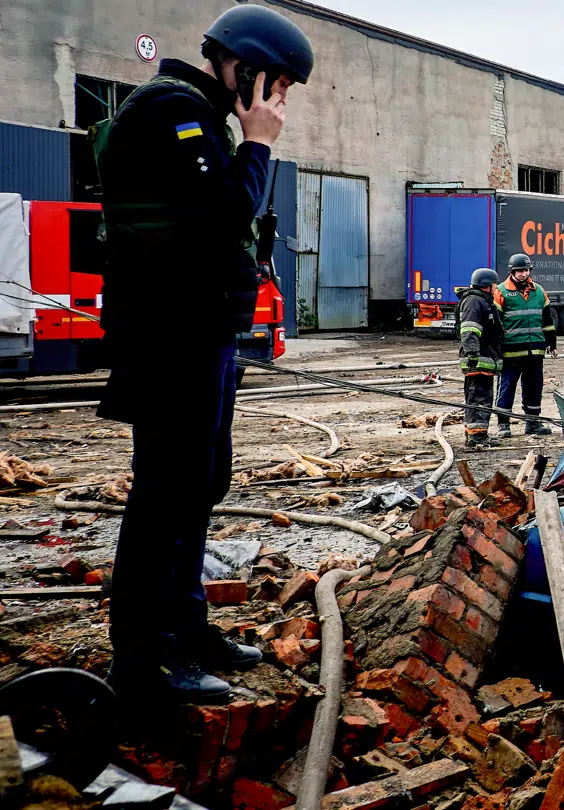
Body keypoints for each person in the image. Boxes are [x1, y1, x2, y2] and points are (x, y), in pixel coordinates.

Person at [95, 5, 313, 701]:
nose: (278, 103)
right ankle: (143, 662)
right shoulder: (171, 112)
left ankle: (185, 628)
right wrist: (259, 144)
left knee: (199, 485)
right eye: (275, 86)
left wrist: (249, 141)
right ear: (242, 68)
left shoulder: (200, 118)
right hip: (168, 341)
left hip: (202, 338)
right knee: (164, 496)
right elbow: (223, 216)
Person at [494, 253, 558, 437]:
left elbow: (547, 320)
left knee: (534, 387)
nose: (523, 274)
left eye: (526, 270)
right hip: (511, 352)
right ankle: (503, 425)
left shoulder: (539, 291)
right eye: (519, 271)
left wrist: (551, 343)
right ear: (512, 271)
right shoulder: (501, 291)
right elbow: (496, 324)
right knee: (506, 388)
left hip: (535, 351)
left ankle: (533, 423)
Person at [458, 268, 504, 448]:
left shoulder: (481, 300)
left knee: (478, 397)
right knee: (479, 398)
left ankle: (476, 435)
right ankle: (477, 438)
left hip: (482, 358)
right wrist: (473, 354)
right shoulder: (475, 301)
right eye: (494, 284)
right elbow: (469, 329)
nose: (496, 288)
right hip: (478, 359)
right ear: (487, 285)